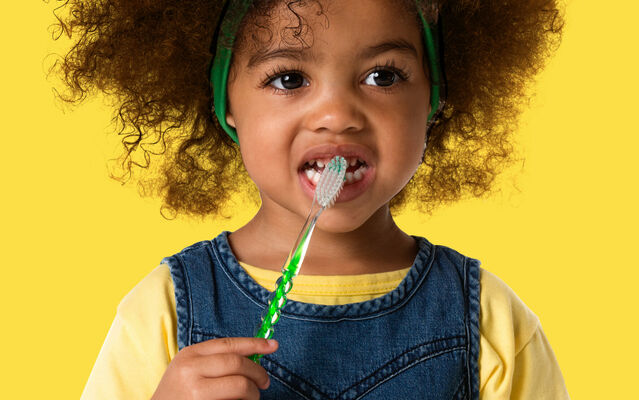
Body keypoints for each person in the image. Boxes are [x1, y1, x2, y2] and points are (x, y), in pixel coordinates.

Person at [50, 0, 570, 398]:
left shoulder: (490, 321)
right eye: (289, 78)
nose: (337, 113)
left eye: (383, 76)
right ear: (224, 103)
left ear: (433, 99)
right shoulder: (164, 309)